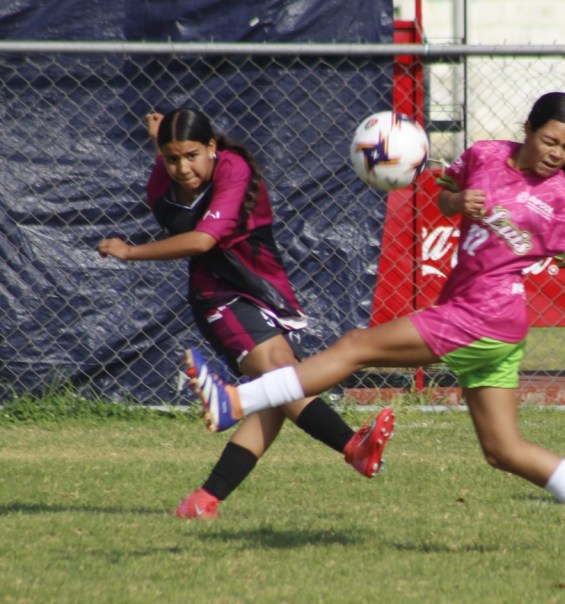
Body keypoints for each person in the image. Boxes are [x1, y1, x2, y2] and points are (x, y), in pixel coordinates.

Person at [185, 92, 565, 552]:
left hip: (484, 316)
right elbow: (445, 199)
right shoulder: (486, 155)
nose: (557, 155)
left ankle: (236, 401)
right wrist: (458, 203)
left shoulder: (559, 198)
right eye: (550, 141)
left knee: (355, 346)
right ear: (528, 130)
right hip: (490, 325)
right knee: (502, 450)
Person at [98, 108, 394, 519]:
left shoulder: (233, 168)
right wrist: (160, 145)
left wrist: (131, 252)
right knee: (279, 374)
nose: (182, 168)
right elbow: (196, 232)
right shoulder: (161, 185)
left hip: (266, 289)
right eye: (172, 158)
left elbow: (203, 239)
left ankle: (203, 500)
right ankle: (352, 446)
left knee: (274, 399)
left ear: (212, 147)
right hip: (218, 296)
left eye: (192, 155)